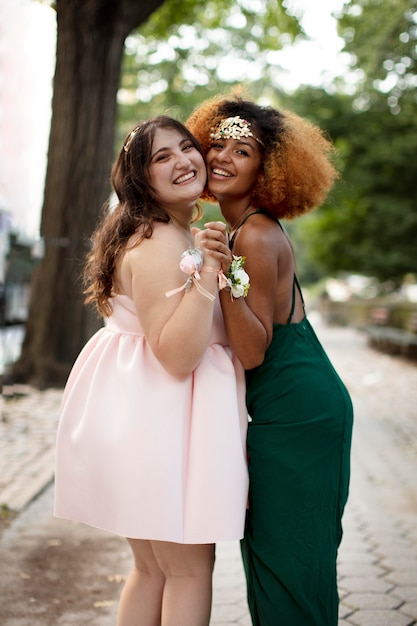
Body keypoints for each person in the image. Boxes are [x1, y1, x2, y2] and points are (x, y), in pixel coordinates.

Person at [54, 115, 249, 626]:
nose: (184, 161)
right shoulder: (163, 241)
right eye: (162, 157)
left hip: (142, 416)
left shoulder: (147, 231)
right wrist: (209, 270)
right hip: (161, 424)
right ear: (141, 178)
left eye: (186, 148)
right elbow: (176, 355)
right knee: (186, 570)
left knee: (153, 569)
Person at [187, 96, 354, 625]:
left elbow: (253, 348)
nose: (222, 158)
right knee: (275, 554)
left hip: (299, 414)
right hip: (287, 409)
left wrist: (221, 272)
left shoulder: (256, 235)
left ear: (268, 170)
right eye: (216, 144)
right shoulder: (242, 232)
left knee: (290, 559)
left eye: (243, 150)